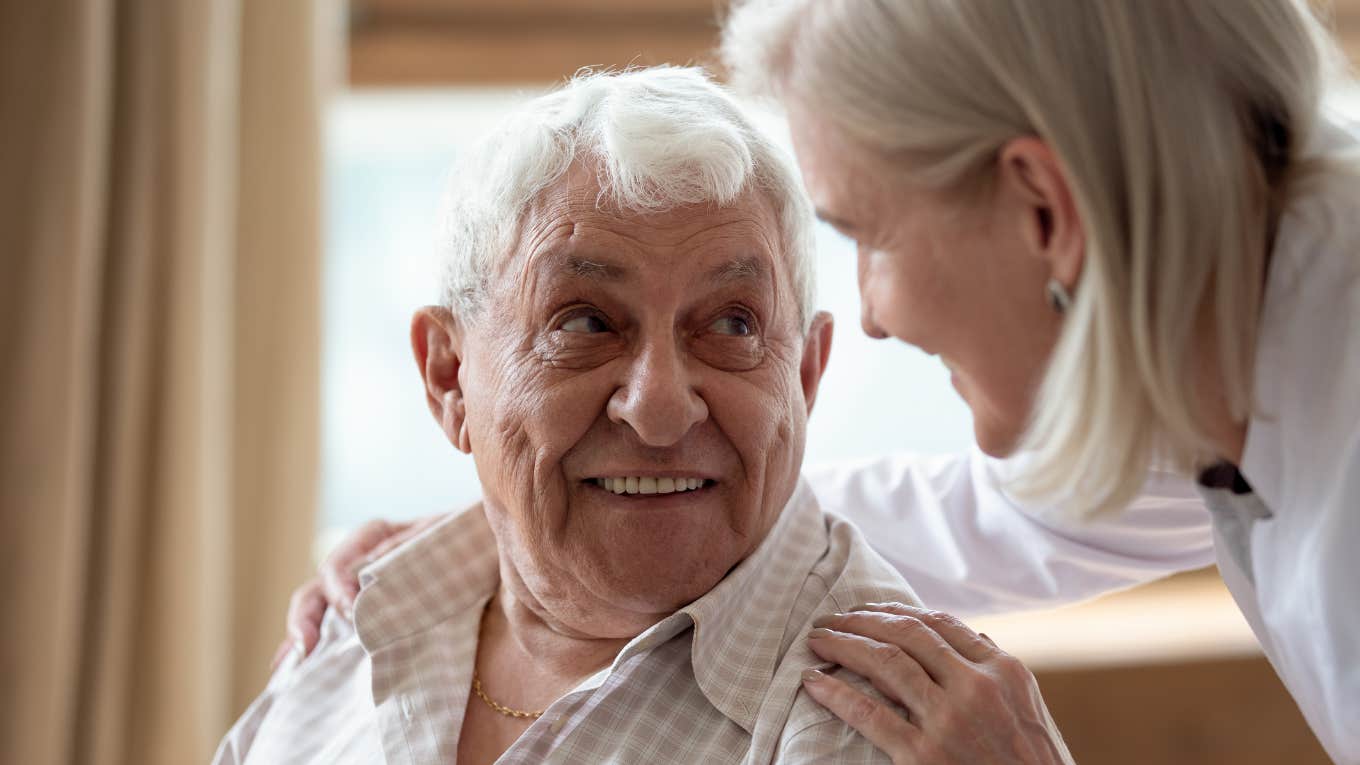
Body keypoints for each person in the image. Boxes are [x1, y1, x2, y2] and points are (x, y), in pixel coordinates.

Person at [289, 1, 1360, 761]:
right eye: (584, 325)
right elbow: (986, 520)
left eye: (869, 235)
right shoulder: (1235, 368)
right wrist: (523, 500)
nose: (878, 314)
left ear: (1043, 213)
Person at [217, 66, 1074, 765]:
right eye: (585, 322)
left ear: (806, 374)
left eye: (733, 324)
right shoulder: (358, 623)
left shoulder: (872, 730)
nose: (660, 407)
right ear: (448, 377)